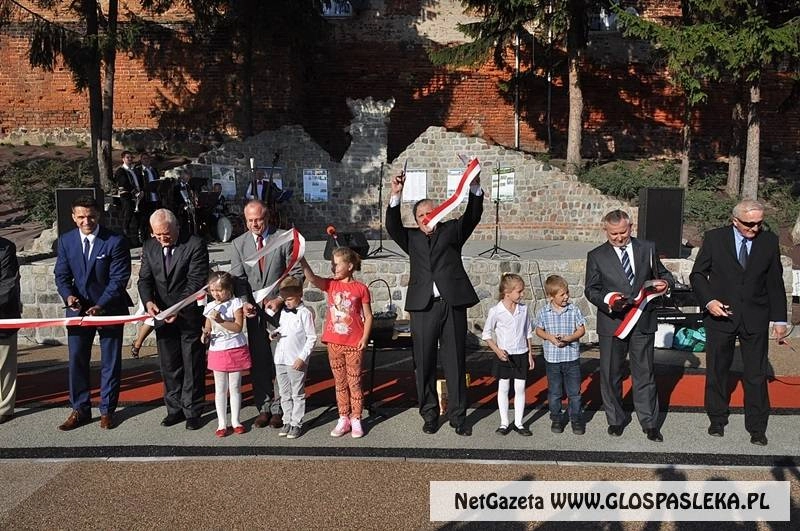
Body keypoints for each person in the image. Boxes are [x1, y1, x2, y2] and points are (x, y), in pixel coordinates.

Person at [385, 170, 483, 436]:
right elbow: (392, 226)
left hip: (452, 304)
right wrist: (396, 194)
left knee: (455, 362)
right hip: (423, 307)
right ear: (416, 220)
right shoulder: (411, 238)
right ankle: (429, 414)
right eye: (421, 215)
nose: (426, 218)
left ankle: (458, 417)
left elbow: (472, 215)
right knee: (424, 362)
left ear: (438, 213)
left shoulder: (452, 230)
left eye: (430, 213)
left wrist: (474, 188)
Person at [689, 200, 787, 446]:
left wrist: (779, 319)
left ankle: (757, 427)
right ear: (735, 220)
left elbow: (775, 282)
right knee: (718, 370)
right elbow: (698, 274)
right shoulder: (715, 238)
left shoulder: (769, 241)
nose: (755, 228)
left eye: (759, 223)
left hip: (755, 316)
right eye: (749, 224)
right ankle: (717, 419)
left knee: (756, 374)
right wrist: (709, 301)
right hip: (720, 315)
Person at [584, 209, 673, 442]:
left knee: (645, 374)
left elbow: (664, 274)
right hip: (612, 322)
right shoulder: (596, 255)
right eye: (613, 234)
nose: (618, 237)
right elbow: (591, 289)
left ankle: (650, 423)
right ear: (605, 230)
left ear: (631, 227)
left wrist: (665, 283)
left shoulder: (647, 248)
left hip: (642, 320)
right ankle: (615, 419)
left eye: (622, 232)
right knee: (610, 374)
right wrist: (609, 300)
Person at [54, 196, 133, 430]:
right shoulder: (66, 241)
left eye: (91, 216)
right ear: (73, 217)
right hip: (77, 311)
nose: (86, 221)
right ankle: (80, 409)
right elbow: (61, 275)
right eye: (81, 217)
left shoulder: (115, 241)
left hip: (109, 308)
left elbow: (119, 279)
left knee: (110, 362)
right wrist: (68, 296)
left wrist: (101, 304)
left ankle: (107, 410)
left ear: (99, 215)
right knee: (77, 360)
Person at [229, 199, 302, 429]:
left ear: (267, 217)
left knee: (281, 360)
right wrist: (244, 303)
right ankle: (264, 406)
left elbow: (296, 273)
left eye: (259, 219)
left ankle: (281, 408)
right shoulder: (238, 244)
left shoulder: (284, 239)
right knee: (259, 360)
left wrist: (281, 299)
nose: (254, 224)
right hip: (254, 314)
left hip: (281, 311)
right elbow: (238, 280)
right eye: (250, 220)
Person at [138, 208, 209, 430]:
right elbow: (144, 279)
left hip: (188, 314)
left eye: (166, 234)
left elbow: (195, 281)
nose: (162, 239)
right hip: (161, 315)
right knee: (169, 364)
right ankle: (174, 409)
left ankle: (193, 410)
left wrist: (176, 308)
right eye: (157, 234)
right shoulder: (149, 246)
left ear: (176, 226)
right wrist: (148, 301)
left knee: (192, 363)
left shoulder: (195, 244)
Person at [300, 248, 372, 438]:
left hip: (354, 343)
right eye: (332, 263)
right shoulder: (331, 285)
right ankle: (343, 417)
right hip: (334, 343)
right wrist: (302, 260)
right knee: (340, 383)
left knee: (354, 382)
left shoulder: (361, 289)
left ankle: (356, 418)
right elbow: (312, 278)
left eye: (337, 264)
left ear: (350, 266)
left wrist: (364, 338)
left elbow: (368, 316)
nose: (333, 267)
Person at [481, 273, 534, 437]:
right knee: (503, 387)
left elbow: (528, 332)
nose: (522, 294)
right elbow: (486, 334)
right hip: (504, 355)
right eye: (519, 291)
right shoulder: (496, 311)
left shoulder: (523, 309)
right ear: (507, 292)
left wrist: (530, 354)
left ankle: (519, 423)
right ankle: (504, 422)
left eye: (522, 291)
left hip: (521, 353)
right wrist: (497, 350)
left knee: (520, 388)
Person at [535, 274, 587, 435]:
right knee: (555, 392)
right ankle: (556, 418)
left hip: (571, 358)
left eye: (567, 293)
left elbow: (581, 329)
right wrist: (550, 337)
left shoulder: (573, 310)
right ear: (551, 296)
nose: (566, 297)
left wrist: (570, 338)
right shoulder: (544, 312)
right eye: (562, 294)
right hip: (553, 360)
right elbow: (539, 330)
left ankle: (576, 418)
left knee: (574, 392)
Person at [201, 271, 251, 438]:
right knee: (220, 388)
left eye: (219, 290)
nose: (216, 294)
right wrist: (205, 334)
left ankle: (236, 421)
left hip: (235, 347)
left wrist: (221, 321)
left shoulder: (236, 303)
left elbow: (238, 327)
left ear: (229, 289)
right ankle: (222, 423)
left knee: (235, 387)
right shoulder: (209, 306)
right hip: (218, 349)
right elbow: (208, 327)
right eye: (212, 290)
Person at [267, 277, 317, 440]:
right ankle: (287, 420)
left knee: (297, 393)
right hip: (280, 358)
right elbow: (283, 328)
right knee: (284, 393)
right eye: (284, 299)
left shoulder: (305, 313)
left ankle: (296, 423)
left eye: (289, 299)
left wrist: (302, 357)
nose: (286, 302)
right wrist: (275, 333)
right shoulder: (284, 312)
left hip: (295, 359)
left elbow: (311, 337)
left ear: (299, 295)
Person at [0, 237, 20, 425]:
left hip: (3, 313)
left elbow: (8, 283)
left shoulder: (6, 248)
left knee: (4, 365)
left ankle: (4, 408)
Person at [114, 150, 144, 244]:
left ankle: (138, 239)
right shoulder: (120, 171)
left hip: (138, 197)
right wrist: (134, 192)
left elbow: (139, 182)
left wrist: (141, 191)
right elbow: (124, 183)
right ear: (123, 159)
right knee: (127, 217)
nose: (130, 159)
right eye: (128, 157)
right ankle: (126, 239)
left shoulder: (134, 170)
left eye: (131, 157)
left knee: (139, 218)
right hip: (127, 197)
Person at [136, 152, 161, 242]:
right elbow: (138, 184)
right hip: (146, 198)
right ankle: (144, 239)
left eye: (148, 158)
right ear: (141, 160)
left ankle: (156, 236)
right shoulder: (139, 171)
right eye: (144, 159)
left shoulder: (154, 170)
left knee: (156, 218)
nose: (146, 160)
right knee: (145, 220)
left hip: (155, 197)